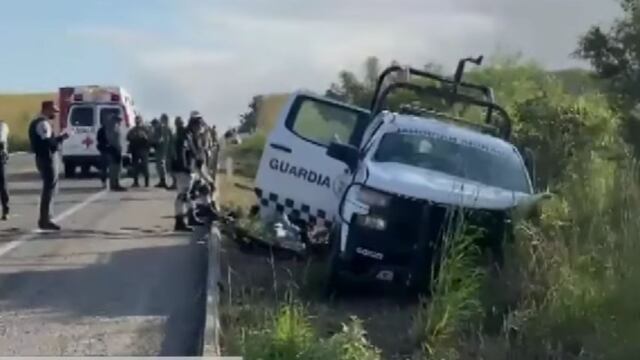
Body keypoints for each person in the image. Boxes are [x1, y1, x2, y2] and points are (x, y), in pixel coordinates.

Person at [28, 101, 69, 230]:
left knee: (51, 188)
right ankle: (45, 219)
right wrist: (61, 138)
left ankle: (47, 218)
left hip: (44, 157)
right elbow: (47, 143)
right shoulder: (43, 123)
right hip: (47, 158)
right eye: (53, 111)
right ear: (46, 109)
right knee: (49, 188)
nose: (55, 114)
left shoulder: (40, 122)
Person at [171, 115, 194, 232]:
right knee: (182, 195)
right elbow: (181, 154)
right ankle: (180, 221)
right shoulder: (181, 137)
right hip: (181, 169)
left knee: (184, 195)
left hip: (179, 169)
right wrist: (185, 168)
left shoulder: (178, 136)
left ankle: (184, 219)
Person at [127, 115, 152, 188]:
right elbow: (128, 137)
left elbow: (150, 139)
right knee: (135, 166)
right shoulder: (133, 130)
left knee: (145, 166)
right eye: (136, 120)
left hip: (143, 149)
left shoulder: (145, 129)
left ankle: (147, 182)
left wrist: (145, 137)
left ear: (141, 121)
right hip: (135, 150)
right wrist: (133, 137)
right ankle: (135, 182)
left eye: (139, 120)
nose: (137, 122)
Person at [104, 113, 127, 191]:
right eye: (117, 120)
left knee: (117, 168)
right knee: (114, 168)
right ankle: (114, 184)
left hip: (116, 149)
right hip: (114, 149)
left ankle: (115, 183)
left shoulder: (114, 127)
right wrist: (117, 148)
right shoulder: (112, 128)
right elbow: (112, 140)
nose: (119, 122)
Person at [152, 114, 173, 188]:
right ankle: (162, 180)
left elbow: (165, 139)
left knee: (164, 166)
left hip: (164, 150)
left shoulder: (166, 128)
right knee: (161, 166)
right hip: (162, 149)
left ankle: (166, 181)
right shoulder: (164, 128)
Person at [96, 118, 110, 188]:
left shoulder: (102, 130)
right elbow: (99, 139)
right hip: (105, 150)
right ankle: (104, 182)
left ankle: (106, 182)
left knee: (106, 168)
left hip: (107, 150)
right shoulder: (103, 130)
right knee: (104, 168)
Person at [0, 120, 9, 220]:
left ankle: (5, 210)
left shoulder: (2, 125)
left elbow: (1, 141)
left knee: (2, 185)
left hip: (0, 158)